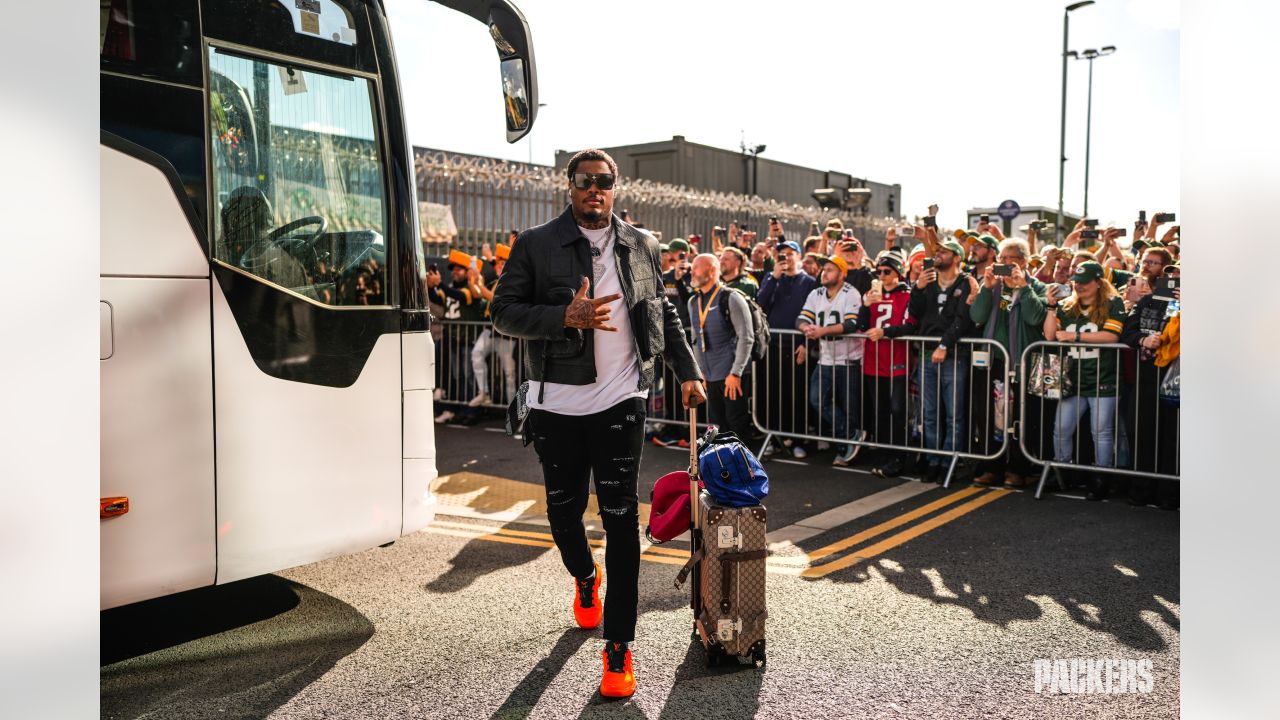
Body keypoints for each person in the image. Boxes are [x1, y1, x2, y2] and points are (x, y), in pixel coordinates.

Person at [489, 149, 705, 699]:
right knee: (562, 516)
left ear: (616, 187)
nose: (595, 190)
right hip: (556, 404)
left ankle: (618, 649)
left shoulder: (642, 245)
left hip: (620, 403)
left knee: (621, 524)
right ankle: (586, 580)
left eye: (604, 182)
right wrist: (562, 316)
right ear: (569, 187)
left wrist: (687, 370)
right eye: (585, 181)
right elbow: (503, 311)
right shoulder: (536, 245)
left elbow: (662, 309)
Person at [1043, 261, 1128, 501]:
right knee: (1061, 428)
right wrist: (1051, 306)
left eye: (1084, 282)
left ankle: (1102, 477)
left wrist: (1075, 336)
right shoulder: (1067, 305)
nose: (1078, 286)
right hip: (1073, 378)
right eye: (1076, 282)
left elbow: (1112, 336)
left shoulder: (1113, 303)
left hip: (1103, 377)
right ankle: (1063, 471)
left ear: (1098, 282)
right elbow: (1049, 335)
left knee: (1100, 431)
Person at [969, 238, 1049, 488]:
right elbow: (977, 316)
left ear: (1023, 262)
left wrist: (1023, 287)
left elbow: (1035, 318)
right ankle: (992, 466)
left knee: (1021, 418)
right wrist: (987, 288)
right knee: (990, 416)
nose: (1003, 264)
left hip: (1023, 363)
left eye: (1009, 260)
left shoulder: (1038, 287)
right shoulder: (992, 285)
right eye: (1001, 259)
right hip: (994, 361)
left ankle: (1017, 469)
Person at [910, 240, 978, 482]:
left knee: (953, 414)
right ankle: (933, 460)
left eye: (944, 252)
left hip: (954, 356)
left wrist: (944, 344)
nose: (938, 254)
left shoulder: (965, 283)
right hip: (928, 354)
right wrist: (917, 288)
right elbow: (915, 313)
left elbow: (963, 319)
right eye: (937, 251)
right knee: (930, 413)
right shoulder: (928, 280)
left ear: (957, 257)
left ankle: (948, 461)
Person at [1120, 265, 1180, 509]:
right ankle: (1142, 490)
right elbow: (1128, 332)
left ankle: (1170, 494)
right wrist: (1143, 339)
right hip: (1147, 378)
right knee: (1143, 433)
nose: (1175, 279)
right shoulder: (1148, 301)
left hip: (1179, 383)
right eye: (1172, 275)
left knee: (1173, 438)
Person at [797, 254, 866, 465]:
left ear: (842, 274)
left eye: (829, 269)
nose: (824, 273)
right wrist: (806, 329)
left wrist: (821, 331)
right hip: (826, 358)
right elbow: (801, 318)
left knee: (849, 406)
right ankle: (850, 436)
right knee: (817, 400)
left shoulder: (851, 293)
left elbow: (851, 324)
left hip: (848, 359)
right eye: (823, 269)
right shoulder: (816, 293)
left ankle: (848, 446)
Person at [857, 253, 919, 478]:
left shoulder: (907, 296)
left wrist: (886, 332)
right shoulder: (871, 295)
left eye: (887, 272)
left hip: (898, 362)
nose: (882, 276)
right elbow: (861, 325)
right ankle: (884, 455)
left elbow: (911, 326)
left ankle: (899, 456)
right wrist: (865, 306)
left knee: (898, 410)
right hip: (874, 362)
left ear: (898, 273)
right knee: (880, 411)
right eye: (879, 272)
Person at [758, 240, 818, 458]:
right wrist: (774, 276)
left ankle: (797, 439)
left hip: (796, 347)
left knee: (796, 395)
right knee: (771, 394)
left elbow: (814, 314)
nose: (786, 258)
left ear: (799, 256)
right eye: (781, 254)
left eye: (790, 254)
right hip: (772, 347)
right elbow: (760, 303)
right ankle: (773, 438)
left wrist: (807, 344)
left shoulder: (810, 282)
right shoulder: (771, 278)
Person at [687, 253, 755, 441]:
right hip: (709, 375)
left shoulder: (731, 298)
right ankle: (724, 469)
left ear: (712, 270)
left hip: (731, 375)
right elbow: (696, 340)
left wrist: (736, 373)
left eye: (696, 267)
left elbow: (746, 337)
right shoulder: (693, 301)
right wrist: (699, 372)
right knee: (717, 427)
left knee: (736, 425)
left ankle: (744, 468)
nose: (691, 271)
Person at [428, 252, 487, 424]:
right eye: (453, 269)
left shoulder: (471, 288)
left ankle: (472, 410)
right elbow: (438, 299)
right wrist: (432, 286)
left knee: (468, 376)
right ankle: (462, 408)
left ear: (467, 272)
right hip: (453, 339)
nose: (455, 272)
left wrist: (439, 284)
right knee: (458, 375)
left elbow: (461, 296)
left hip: (467, 339)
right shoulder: (450, 287)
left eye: (460, 269)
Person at [468, 244, 517, 407]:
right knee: (477, 353)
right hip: (491, 330)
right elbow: (477, 293)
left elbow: (495, 299)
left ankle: (514, 411)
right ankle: (484, 393)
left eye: (502, 263)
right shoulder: (496, 282)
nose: (498, 266)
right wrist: (473, 280)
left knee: (510, 374)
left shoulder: (514, 283)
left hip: (507, 334)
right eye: (497, 263)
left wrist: (479, 284)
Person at [661, 238, 694, 332]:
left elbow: (691, 301)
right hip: (669, 328)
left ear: (686, 254)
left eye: (674, 252)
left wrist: (679, 280)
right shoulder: (665, 276)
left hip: (687, 329)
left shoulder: (695, 275)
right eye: (669, 252)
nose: (670, 255)